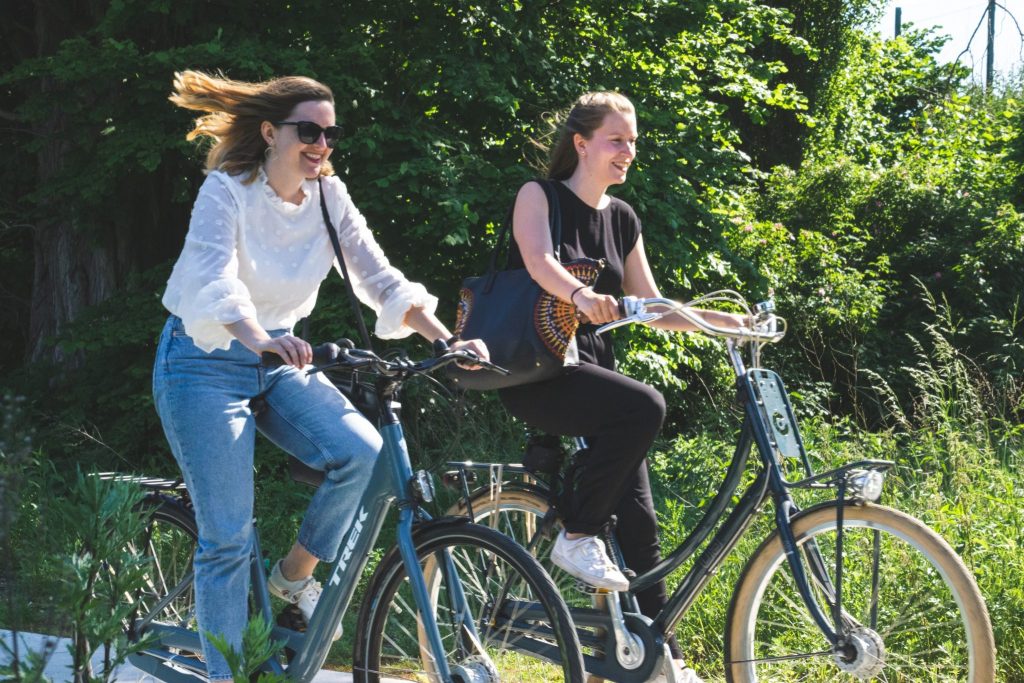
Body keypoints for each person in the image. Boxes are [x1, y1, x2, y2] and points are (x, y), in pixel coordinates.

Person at [152, 70, 487, 681]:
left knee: (362, 456)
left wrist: (447, 338)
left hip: (278, 362)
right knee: (226, 538)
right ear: (270, 132)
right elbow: (214, 277)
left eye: (330, 135)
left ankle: (292, 577)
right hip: (203, 361)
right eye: (309, 131)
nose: (322, 145)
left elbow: (378, 276)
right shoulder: (226, 191)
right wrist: (260, 337)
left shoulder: (330, 197)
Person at [498, 92, 746, 683]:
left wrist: (729, 324)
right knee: (645, 406)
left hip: (593, 380)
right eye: (617, 140)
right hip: (538, 373)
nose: (629, 151)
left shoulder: (623, 217)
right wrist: (580, 294)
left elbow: (654, 306)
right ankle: (577, 534)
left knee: (641, 525)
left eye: (632, 141)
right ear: (582, 143)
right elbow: (538, 262)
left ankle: (666, 664)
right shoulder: (541, 197)